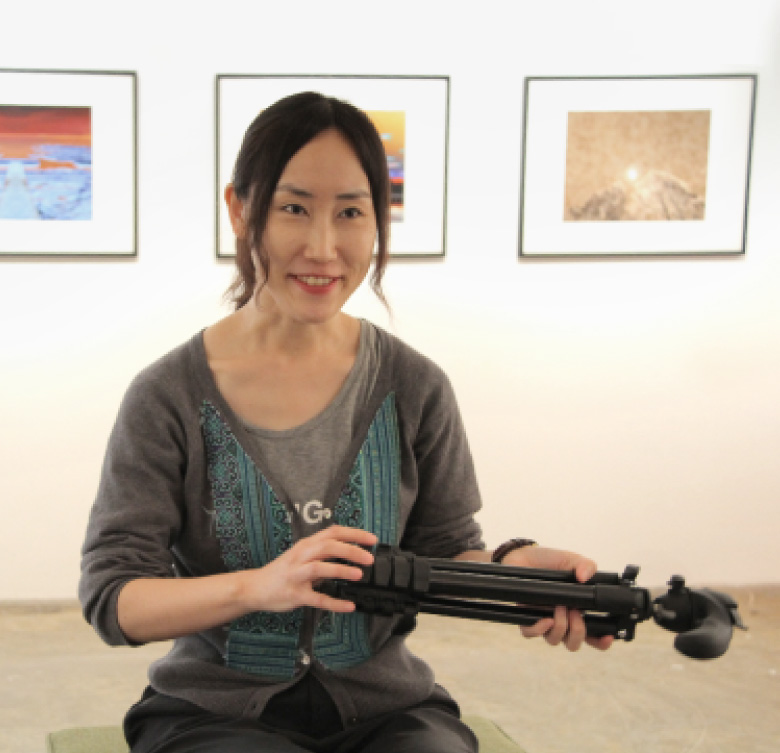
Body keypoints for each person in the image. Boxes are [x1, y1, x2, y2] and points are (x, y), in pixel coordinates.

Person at [79, 91, 612, 753]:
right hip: (212, 711)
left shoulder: (415, 385)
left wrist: (514, 570)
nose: (323, 247)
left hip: (388, 709)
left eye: (352, 212)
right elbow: (115, 597)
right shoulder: (167, 395)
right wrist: (259, 586)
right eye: (293, 208)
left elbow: (446, 551)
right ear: (240, 209)